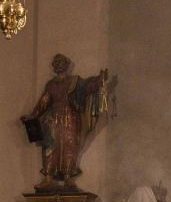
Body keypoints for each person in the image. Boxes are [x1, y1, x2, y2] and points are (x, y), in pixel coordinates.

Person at [21, 53, 108, 190]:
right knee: (49, 144)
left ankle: (68, 176)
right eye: (56, 62)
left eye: (61, 61)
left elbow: (86, 89)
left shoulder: (75, 81)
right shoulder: (51, 84)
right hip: (53, 118)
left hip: (71, 117)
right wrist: (33, 115)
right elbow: (44, 102)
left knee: (69, 144)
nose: (58, 64)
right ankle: (48, 177)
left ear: (66, 64)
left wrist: (99, 81)